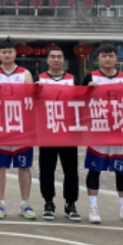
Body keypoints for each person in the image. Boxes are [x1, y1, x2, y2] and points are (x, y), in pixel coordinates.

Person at [82, 44, 123, 225]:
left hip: (119, 130)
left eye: (111, 55)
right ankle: (93, 207)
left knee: (121, 170)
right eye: (104, 55)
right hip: (98, 130)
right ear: (98, 58)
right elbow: (77, 102)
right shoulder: (90, 77)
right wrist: (86, 90)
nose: (107, 59)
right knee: (95, 169)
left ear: (116, 58)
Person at [0, 38, 35, 220]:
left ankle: (25, 203)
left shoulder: (25, 74)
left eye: (10, 52)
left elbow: (32, 100)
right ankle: (0, 203)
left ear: (15, 53)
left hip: (20, 127)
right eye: (4, 52)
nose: (7, 55)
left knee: (24, 166)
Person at [34, 47, 80, 222]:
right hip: (47, 132)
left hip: (68, 132)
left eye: (59, 57)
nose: (56, 60)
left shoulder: (72, 79)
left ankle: (70, 203)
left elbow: (82, 102)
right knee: (47, 170)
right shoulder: (39, 79)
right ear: (47, 60)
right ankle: (48, 202)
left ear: (64, 60)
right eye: (52, 57)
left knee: (71, 170)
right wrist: (34, 91)